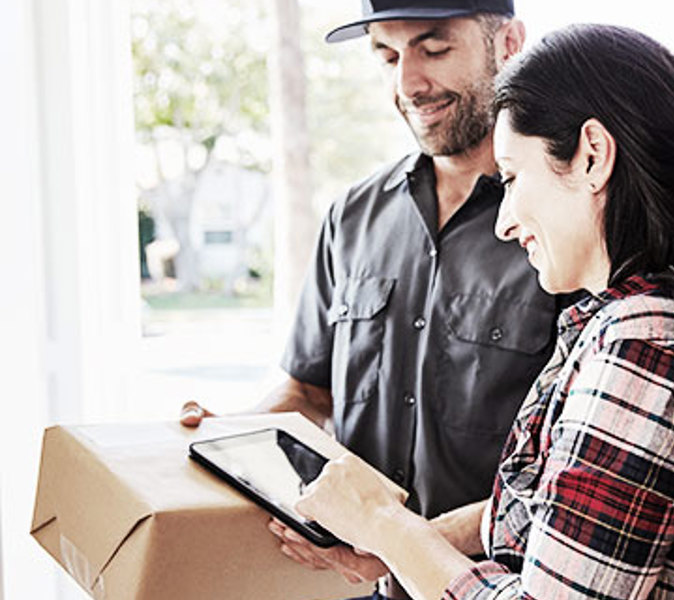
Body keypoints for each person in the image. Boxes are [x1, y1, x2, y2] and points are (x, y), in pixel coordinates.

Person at [291, 24, 674, 600]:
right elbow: (561, 507)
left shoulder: (655, 349)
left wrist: (383, 523)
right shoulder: (642, 324)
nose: (504, 220)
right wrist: (401, 544)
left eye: (513, 178)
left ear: (592, 156)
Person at [181, 1, 568, 597]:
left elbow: (569, 469)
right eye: (388, 55)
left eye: (434, 48)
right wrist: (219, 437)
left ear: (510, 42)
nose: (408, 83)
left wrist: (397, 541)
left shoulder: (563, 226)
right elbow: (308, 393)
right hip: (364, 590)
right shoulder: (353, 217)